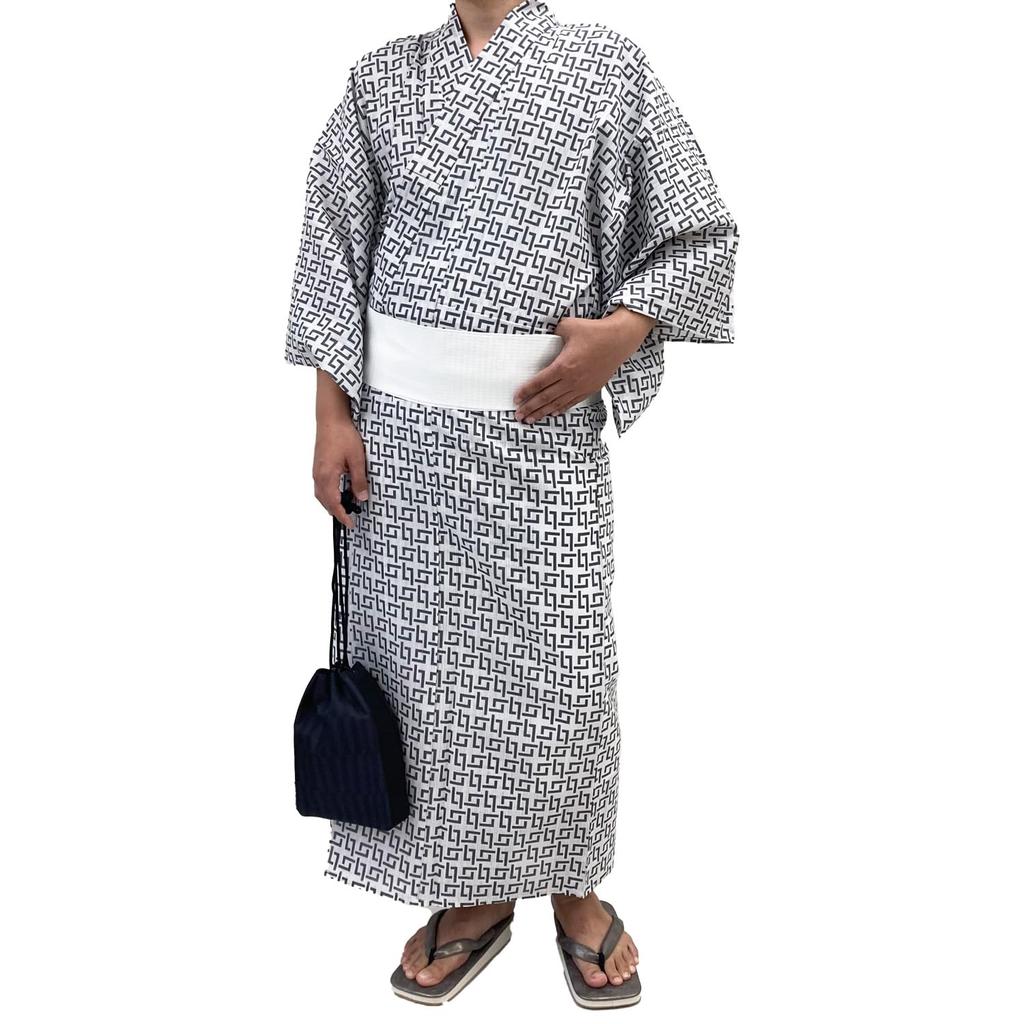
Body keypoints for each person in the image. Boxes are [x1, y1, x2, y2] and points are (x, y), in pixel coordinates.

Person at [284, 0, 737, 1008]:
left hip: (542, 434)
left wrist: (626, 329)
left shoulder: (607, 67)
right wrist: (329, 414)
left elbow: (699, 232)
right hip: (403, 445)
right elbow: (331, 249)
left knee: (563, 668)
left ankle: (574, 883)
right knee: (429, 677)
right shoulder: (381, 79)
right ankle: (474, 888)